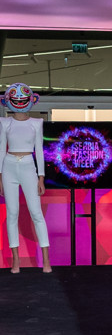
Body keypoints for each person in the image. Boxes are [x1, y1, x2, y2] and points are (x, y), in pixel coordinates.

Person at [0, 82, 51, 274]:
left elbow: (40, 151)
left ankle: (46, 260)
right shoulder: (5, 122)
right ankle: (16, 260)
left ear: (31, 99)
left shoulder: (36, 123)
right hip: (9, 165)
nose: (20, 100)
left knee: (36, 213)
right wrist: (0, 176)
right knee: (12, 213)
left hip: (29, 165)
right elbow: (1, 149)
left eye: (24, 98)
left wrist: (41, 177)